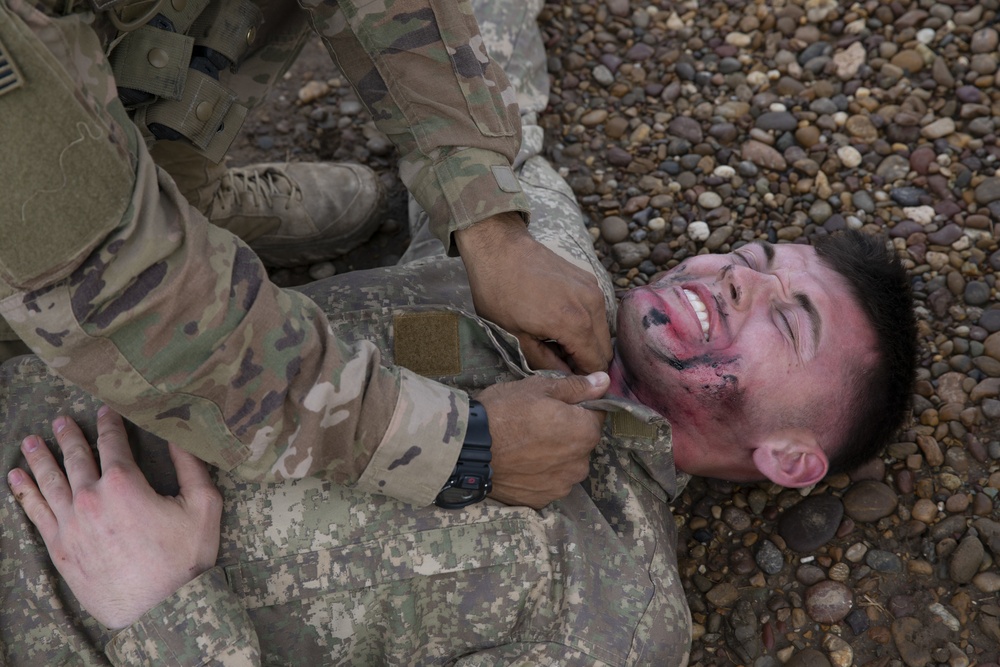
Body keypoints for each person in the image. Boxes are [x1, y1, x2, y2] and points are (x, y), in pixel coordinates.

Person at [0, 222, 916, 665]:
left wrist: (158, 608)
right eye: (749, 260)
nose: (728, 281)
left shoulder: (618, 619)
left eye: (786, 321)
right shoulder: (543, 272)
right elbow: (486, 96)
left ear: (792, 459)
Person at [0, 0, 614, 511]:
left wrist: (485, 214)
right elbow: (124, 301)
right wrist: (453, 446)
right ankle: (127, 228)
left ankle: (170, 196)